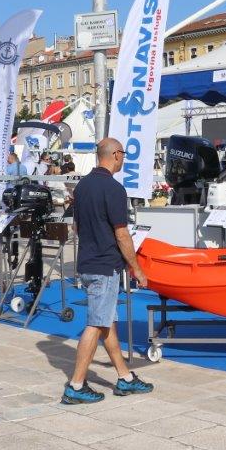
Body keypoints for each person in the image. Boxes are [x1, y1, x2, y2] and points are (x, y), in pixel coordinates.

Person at [63, 137, 154, 404]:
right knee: (95, 325)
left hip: (88, 262)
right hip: (105, 266)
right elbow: (122, 234)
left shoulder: (82, 187)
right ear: (115, 154)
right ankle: (76, 385)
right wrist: (136, 268)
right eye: (123, 154)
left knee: (107, 324)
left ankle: (124, 378)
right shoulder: (113, 189)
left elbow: (77, 228)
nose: (124, 158)